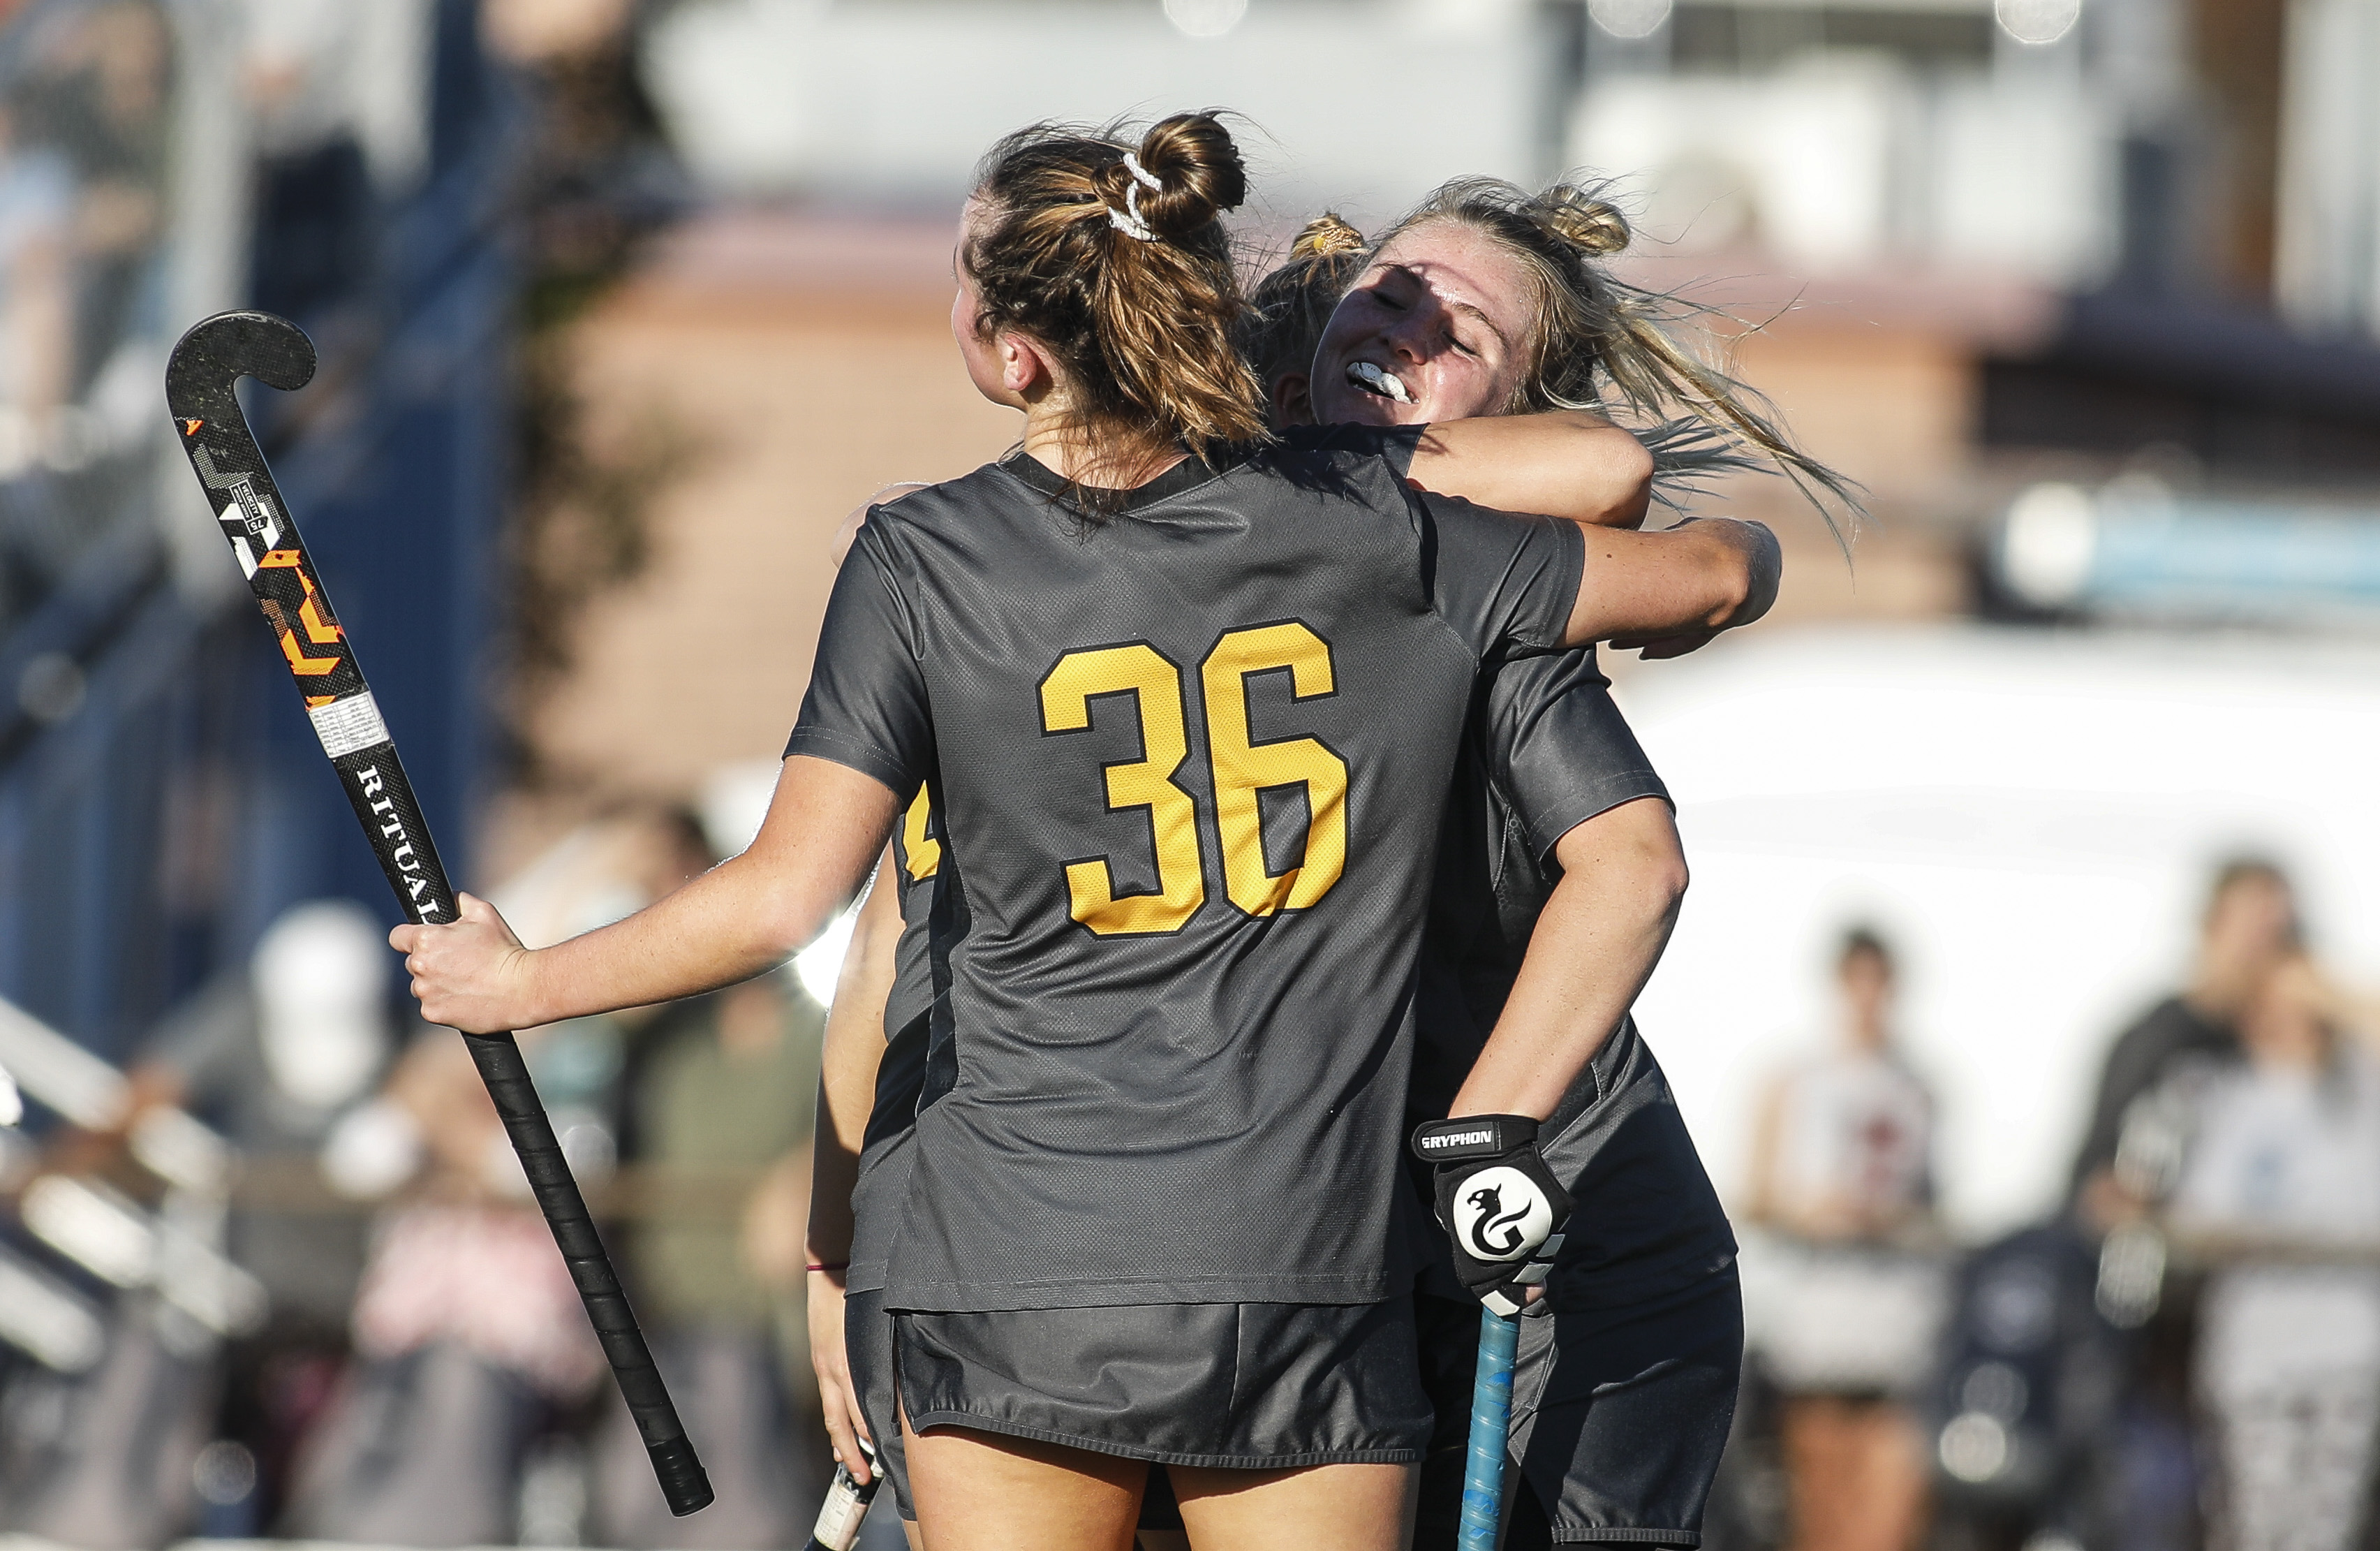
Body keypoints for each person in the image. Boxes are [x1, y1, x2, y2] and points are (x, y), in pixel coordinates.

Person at [396, 112, 1782, 1551]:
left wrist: (527, 984)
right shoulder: (1381, 531)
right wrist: (1726, 555)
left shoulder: (927, 558)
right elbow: (1698, 569)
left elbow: (787, 902)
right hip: (1301, 1262)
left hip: (1035, 1267)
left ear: (1013, 353)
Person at [817, 182, 1847, 1551]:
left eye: (1462, 332)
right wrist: (842, 1250)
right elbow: (894, 938)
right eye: (1389, 292)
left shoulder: (1448, 583)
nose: (1408, 326)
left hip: (1537, 1229)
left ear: (1514, 413)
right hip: (1249, 1238)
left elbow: (1635, 849)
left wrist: (1736, 556)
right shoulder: (1051, 575)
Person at [1743, 927, 1940, 1551]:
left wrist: (1890, 1221)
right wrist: (1812, 1214)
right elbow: (1752, 1196)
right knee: (1820, 1517)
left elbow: (1937, 1213)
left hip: (1897, 1333)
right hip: (1816, 1332)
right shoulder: (1793, 1082)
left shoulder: (1918, 1088)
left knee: (1887, 1520)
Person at [2073, 860, 2299, 1228]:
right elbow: (2093, 1177)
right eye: (2255, 929)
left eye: (2280, 934)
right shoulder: (2157, 1037)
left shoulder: (2285, 1046)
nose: (2266, 949)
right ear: (2212, 926)